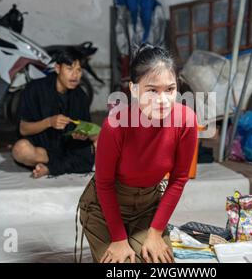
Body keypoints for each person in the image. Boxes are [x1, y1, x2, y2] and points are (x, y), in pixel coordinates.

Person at [76, 43, 198, 263]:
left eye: (170, 89)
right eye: (152, 90)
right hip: (104, 209)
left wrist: (155, 232)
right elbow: (104, 185)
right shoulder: (115, 124)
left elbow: (179, 180)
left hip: (148, 207)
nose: (163, 100)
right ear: (133, 90)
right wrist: (119, 240)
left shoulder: (187, 121)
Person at [12, 47, 97, 178]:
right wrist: (49, 122)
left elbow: (85, 127)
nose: (75, 75)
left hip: (68, 148)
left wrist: (87, 133)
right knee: (21, 150)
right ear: (58, 69)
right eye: (69, 69)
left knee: (101, 137)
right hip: (43, 150)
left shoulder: (81, 96)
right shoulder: (34, 89)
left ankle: (50, 168)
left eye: (79, 70)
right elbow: (24, 129)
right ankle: (61, 165)